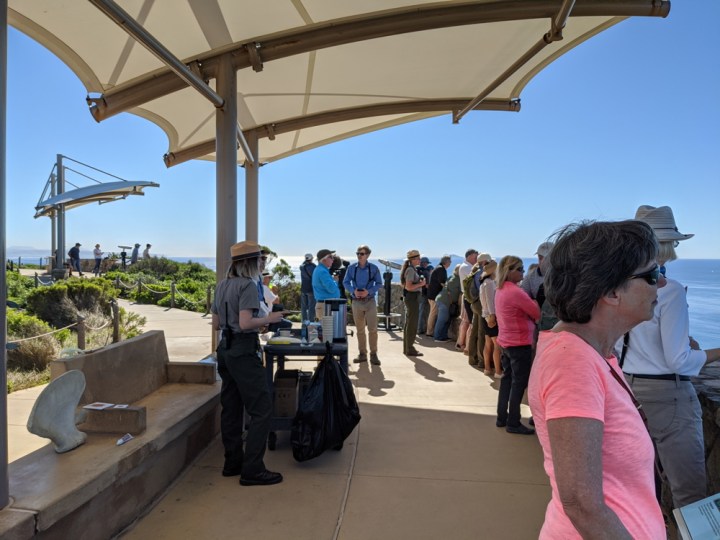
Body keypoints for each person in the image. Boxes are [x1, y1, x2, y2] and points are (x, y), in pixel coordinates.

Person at [528, 220, 666, 538]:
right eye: (652, 274)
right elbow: (581, 503)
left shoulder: (592, 353)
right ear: (611, 292)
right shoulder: (573, 361)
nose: (661, 284)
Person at [619, 205, 720, 509]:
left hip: (628, 388)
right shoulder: (669, 290)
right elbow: (680, 361)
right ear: (667, 245)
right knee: (689, 492)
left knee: (641, 482)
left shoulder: (620, 284)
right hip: (669, 395)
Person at [211, 240, 284, 486]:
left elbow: (216, 324)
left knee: (231, 407)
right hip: (243, 350)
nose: (262, 264)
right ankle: (253, 469)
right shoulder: (249, 286)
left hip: (225, 350)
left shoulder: (222, 286)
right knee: (262, 409)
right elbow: (244, 323)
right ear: (251, 263)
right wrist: (269, 318)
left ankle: (232, 463)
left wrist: (252, 322)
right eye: (260, 260)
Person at [495, 255, 539, 435]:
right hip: (519, 343)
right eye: (520, 269)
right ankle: (513, 422)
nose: (522, 272)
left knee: (507, 380)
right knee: (518, 383)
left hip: (505, 341)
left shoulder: (500, 289)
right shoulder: (515, 292)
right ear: (510, 271)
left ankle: (501, 417)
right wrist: (535, 303)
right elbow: (536, 312)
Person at [343, 244, 383, 365]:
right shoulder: (351, 268)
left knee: (373, 329)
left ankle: (374, 354)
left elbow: (379, 283)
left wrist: (368, 292)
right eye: (358, 253)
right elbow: (345, 282)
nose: (359, 256)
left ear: (368, 255)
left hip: (370, 301)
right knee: (360, 330)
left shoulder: (374, 268)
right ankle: (362, 354)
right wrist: (353, 291)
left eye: (362, 254)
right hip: (356, 302)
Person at [467, 253, 492, 368]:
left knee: (474, 331)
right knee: (482, 333)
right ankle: (482, 360)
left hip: (474, 304)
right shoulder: (482, 273)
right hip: (481, 305)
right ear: (485, 262)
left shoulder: (474, 272)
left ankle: (472, 358)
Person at [479, 260, 502, 378]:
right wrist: (493, 316)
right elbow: (490, 302)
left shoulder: (485, 282)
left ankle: (487, 368)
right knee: (496, 345)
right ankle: (498, 371)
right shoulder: (489, 283)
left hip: (485, 316)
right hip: (490, 317)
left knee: (488, 344)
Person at [401, 249, 425, 356]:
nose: (420, 260)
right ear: (413, 259)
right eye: (418, 258)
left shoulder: (410, 269)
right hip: (412, 298)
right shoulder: (411, 270)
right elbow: (409, 286)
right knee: (412, 324)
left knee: (409, 323)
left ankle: (407, 348)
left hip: (411, 298)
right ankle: (410, 349)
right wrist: (421, 284)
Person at [457, 249, 478, 351]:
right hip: (468, 297)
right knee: (469, 322)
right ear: (469, 256)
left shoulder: (464, 266)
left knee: (465, 321)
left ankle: (460, 343)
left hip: (466, 295)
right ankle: (465, 345)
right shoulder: (467, 267)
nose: (476, 259)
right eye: (475, 257)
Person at [433, 264, 461, 342]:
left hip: (442, 299)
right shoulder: (457, 280)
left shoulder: (452, 277)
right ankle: (438, 337)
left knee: (446, 319)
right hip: (445, 301)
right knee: (442, 319)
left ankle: (443, 336)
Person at [311, 248, 340, 321]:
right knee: (327, 331)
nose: (333, 260)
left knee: (326, 331)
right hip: (325, 306)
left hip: (324, 305)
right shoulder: (322, 271)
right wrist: (335, 281)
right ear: (324, 259)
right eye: (330, 257)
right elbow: (332, 289)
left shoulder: (320, 269)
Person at [426, 255, 451, 336]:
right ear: (446, 262)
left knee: (432, 312)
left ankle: (430, 331)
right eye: (450, 262)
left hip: (431, 294)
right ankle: (429, 332)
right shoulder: (441, 269)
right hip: (434, 295)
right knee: (433, 313)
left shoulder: (438, 268)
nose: (450, 264)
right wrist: (448, 291)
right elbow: (442, 282)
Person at [417, 256, 434, 335]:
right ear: (424, 263)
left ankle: (417, 329)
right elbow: (427, 284)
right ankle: (419, 329)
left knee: (418, 311)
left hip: (417, 293)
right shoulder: (425, 272)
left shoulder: (417, 270)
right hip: (424, 293)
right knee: (421, 312)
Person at [299, 253, 316, 323]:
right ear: (311, 258)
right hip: (311, 289)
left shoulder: (302, 266)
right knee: (311, 307)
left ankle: (304, 323)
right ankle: (311, 323)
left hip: (303, 289)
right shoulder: (312, 267)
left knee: (303, 307)